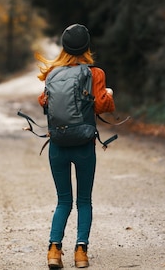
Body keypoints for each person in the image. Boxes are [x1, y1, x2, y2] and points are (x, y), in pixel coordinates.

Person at [35, 24, 116, 269]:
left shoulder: (53, 73)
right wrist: (109, 94)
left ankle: (53, 250)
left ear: (64, 46)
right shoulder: (95, 73)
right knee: (84, 201)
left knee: (63, 201)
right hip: (83, 144)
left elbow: (44, 102)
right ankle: (81, 252)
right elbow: (102, 106)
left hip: (57, 145)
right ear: (87, 47)